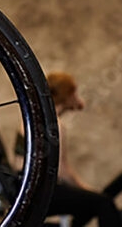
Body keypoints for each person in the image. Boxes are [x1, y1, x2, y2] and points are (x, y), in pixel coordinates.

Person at [42, 72, 122, 226]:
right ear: (68, 95)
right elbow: (62, 172)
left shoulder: (32, 122)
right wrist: (86, 190)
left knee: (91, 204)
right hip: (44, 192)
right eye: (74, 92)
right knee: (103, 203)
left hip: (30, 188)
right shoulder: (56, 126)